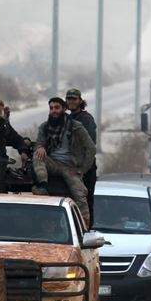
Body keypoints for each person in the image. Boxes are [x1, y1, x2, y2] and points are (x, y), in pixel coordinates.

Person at [32, 97, 96, 227]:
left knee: (80, 196)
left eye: (57, 108)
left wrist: (82, 169)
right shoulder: (45, 127)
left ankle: (85, 228)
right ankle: (43, 185)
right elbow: (39, 143)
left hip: (70, 167)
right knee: (37, 155)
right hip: (53, 163)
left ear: (64, 109)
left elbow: (91, 148)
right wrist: (40, 147)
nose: (53, 111)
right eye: (51, 108)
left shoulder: (76, 127)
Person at [65, 88, 98, 227]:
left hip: (85, 168)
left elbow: (89, 145)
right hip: (70, 166)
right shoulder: (67, 118)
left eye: (74, 99)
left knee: (85, 200)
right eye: (69, 99)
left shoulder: (86, 119)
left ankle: (87, 229)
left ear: (80, 101)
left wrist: (83, 169)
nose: (71, 101)